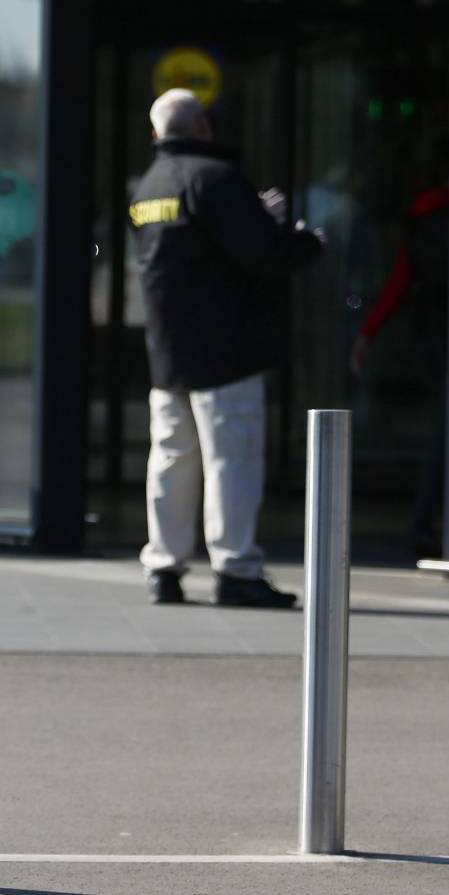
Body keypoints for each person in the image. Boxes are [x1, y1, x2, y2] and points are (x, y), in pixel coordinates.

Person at [130, 88, 323, 607]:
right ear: (202, 127)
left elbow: (193, 250)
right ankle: (235, 568)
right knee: (230, 459)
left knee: (171, 459)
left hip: (168, 353)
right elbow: (259, 252)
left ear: (156, 133)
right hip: (226, 348)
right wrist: (305, 241)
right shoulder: (215, 179)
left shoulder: (150, 186)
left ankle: (164, 568)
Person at [350, 182, 449, 558]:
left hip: (432, 339)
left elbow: (399, 283)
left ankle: (425, 523)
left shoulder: (420, 218)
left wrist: (367, 333)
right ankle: (426, 524)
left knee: (446, 434)